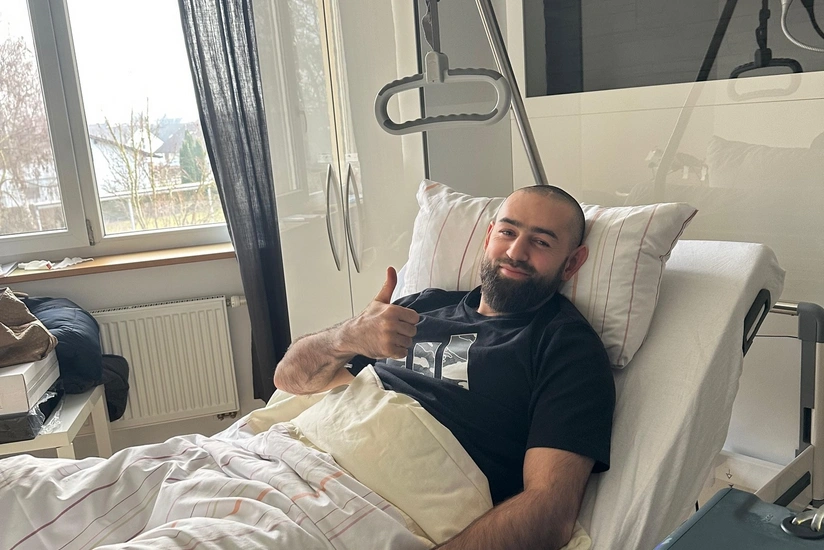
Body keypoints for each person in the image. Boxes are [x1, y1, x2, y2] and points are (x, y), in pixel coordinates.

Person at [274, 185, 616, 550]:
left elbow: (551, 511)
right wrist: (348, 336)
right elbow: (287, 378)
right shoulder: (422, 304)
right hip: (289, 466)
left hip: (373, 510)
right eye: (507, 232)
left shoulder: (567, 347)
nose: (516, 252)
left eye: (541, 242)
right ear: (489, 236)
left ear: (572, 263)